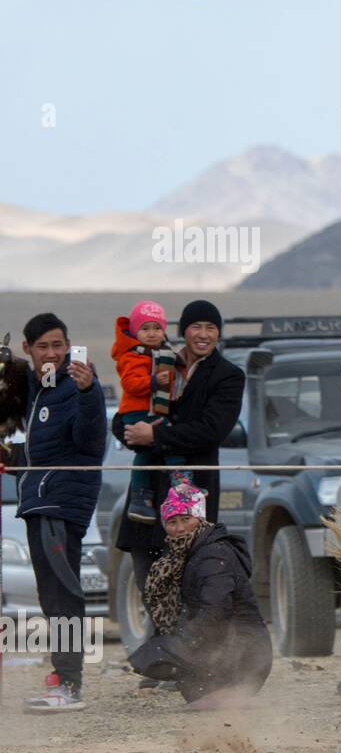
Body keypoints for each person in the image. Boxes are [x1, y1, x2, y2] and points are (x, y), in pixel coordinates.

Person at [115, 300, 245, 604]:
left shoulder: (227, 375)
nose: (203, 334)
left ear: (219, 333)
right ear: (183, 331)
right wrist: (130, 431)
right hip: (146, 492)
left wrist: (155, 435)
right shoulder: (158, 361)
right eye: (196, 327)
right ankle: (161, 648)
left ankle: (188, 649)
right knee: (147, 579)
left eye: (211, 328)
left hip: (191, 491)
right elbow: (125, 411)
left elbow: (211, 431)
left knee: (191, 578)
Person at [12, 313, 106, 712]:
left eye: (58, 345)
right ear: (28, 350)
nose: (52, 354)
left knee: (63, 592)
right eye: (43, 346)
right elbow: (39, 450)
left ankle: (69, 684)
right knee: (49, 595)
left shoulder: (77, 386)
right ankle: (60, 675)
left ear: (69, 346)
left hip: (62, 502)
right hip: (40, 499)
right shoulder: (37, 389)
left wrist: (89, 393)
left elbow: (88, 442)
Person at [128, 481, 272, 708]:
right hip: (226, 649)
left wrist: (180, 646)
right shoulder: (187, 554)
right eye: (172, 522)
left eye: (186, 519)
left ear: (200, 518)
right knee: (158, 654)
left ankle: (231, 691)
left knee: (155, 652)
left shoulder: (212, 555)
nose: (180, 528)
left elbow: (215, 611)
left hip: (244, 655)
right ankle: (219, 691)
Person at [112, 300, 184, 523]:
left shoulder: (163, 353)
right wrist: (152, 381)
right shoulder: (133, 355)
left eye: (157, 328)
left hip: (151, 410)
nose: (152, 334)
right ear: (134, 331)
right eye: (145, 329)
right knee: (170, 439)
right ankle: (181, 483)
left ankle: (140, 500)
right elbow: (130, 384)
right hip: (137, 413)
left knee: (145, 453)